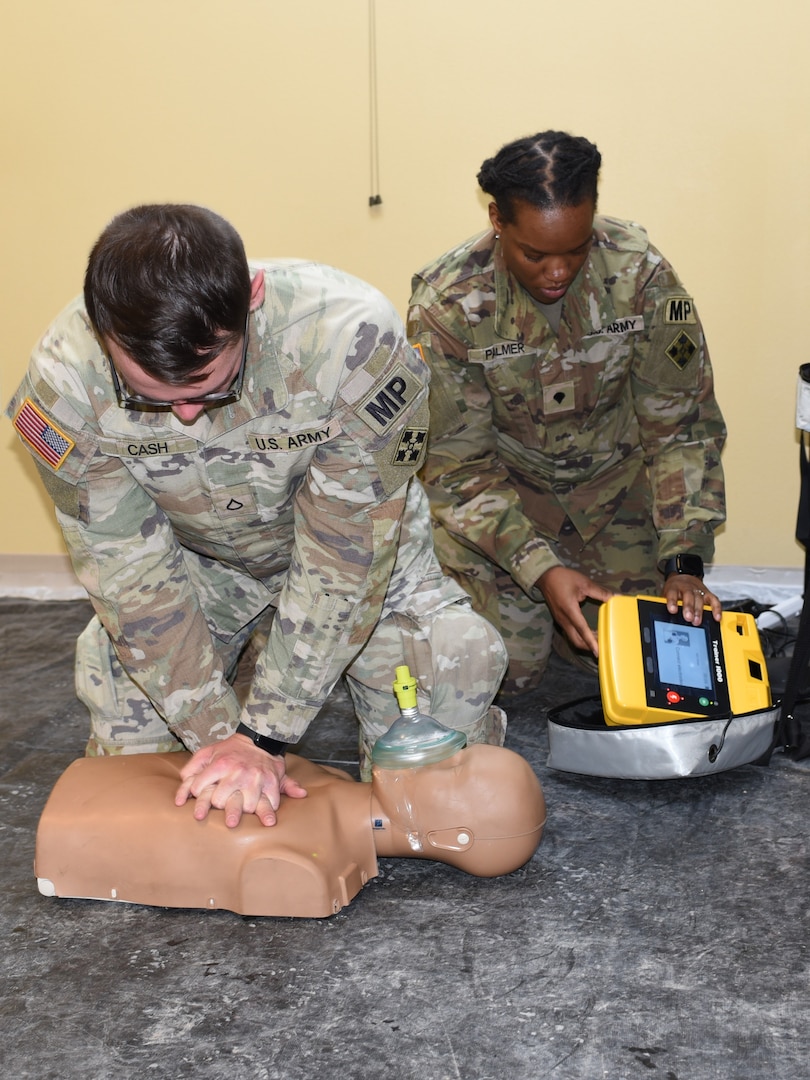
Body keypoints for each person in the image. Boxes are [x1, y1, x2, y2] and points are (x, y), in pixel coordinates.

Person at [7, 203, 508, 825]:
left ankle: (272, 686)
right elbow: (128, 575)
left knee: (441, 781)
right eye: (150, 396)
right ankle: (242, 684)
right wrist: (220, 738)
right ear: (100, 328)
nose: (187, 414)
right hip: (202, 567)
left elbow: (343, 563)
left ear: (252, 297)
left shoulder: (351, 346)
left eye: (208, 385)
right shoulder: (65, 387)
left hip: (356, 561)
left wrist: (266, 734)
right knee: (132, 776)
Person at [407, 131, 727, 694]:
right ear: (497, 220)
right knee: (499, 673)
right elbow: (457, 470)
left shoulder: (642, 276)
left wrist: (684, 560)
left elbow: (681, 428)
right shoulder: (449, 303)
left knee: (648, 665)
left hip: (614, 498)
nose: (558, 271)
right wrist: (540, 567)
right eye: (536, 254)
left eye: (575, 250)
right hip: (506, 507)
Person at [35, 743, 547, 917]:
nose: (438, 757)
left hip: (79, 823)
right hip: (102, 798)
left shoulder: (305, 860)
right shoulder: (324, 780)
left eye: (454, 769)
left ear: (450, 838)